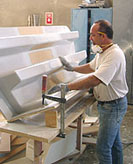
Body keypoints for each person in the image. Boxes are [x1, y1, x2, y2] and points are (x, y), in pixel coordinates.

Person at [48, 20, 128, 164]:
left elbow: (94, 79)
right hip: (107, 106)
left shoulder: (114, 55)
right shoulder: (103, 52)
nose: (90, 38)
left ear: (103, 36)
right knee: (114, 145)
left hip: (113, 107)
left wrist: (67, 87)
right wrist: (72, 68)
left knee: (103, 148)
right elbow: (91, 67)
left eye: (93, 35)